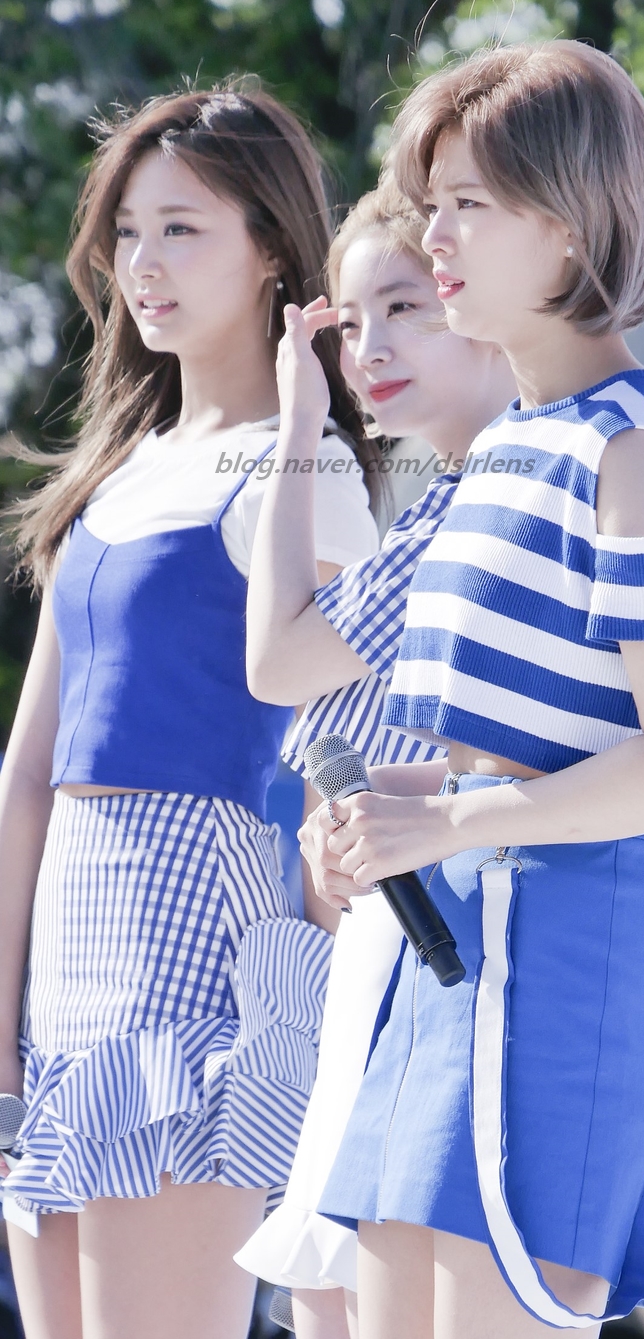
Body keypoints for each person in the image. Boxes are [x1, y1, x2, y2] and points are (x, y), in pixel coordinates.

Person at [245, 42, 644, 1339]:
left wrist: (445, 819)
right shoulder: (511, 452)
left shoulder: (633, 455)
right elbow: (513, 747)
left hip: (570, 962)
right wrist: (389, 807)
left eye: (467, 203)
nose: (437, 237)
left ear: (569, 220)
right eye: (434, 203)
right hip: (447, 953)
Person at [0, 84, 382, 1339]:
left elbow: (353, 748)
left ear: (271, 247)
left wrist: (315, 1002)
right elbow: (27, 773)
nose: (142, 265)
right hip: (64, 949)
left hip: (199, 931)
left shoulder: (306, 465)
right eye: (126, 233)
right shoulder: (116, 466)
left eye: (180, 228)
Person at [236, 180, 517, 1339]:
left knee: (350, 1290)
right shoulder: (447, 503)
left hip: (442, 941)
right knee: (334, 1288)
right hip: (402, 937)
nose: (370, 349)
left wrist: (300, 430)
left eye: (406, 305)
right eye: (350, 325)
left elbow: (275, 660)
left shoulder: (486, 495)